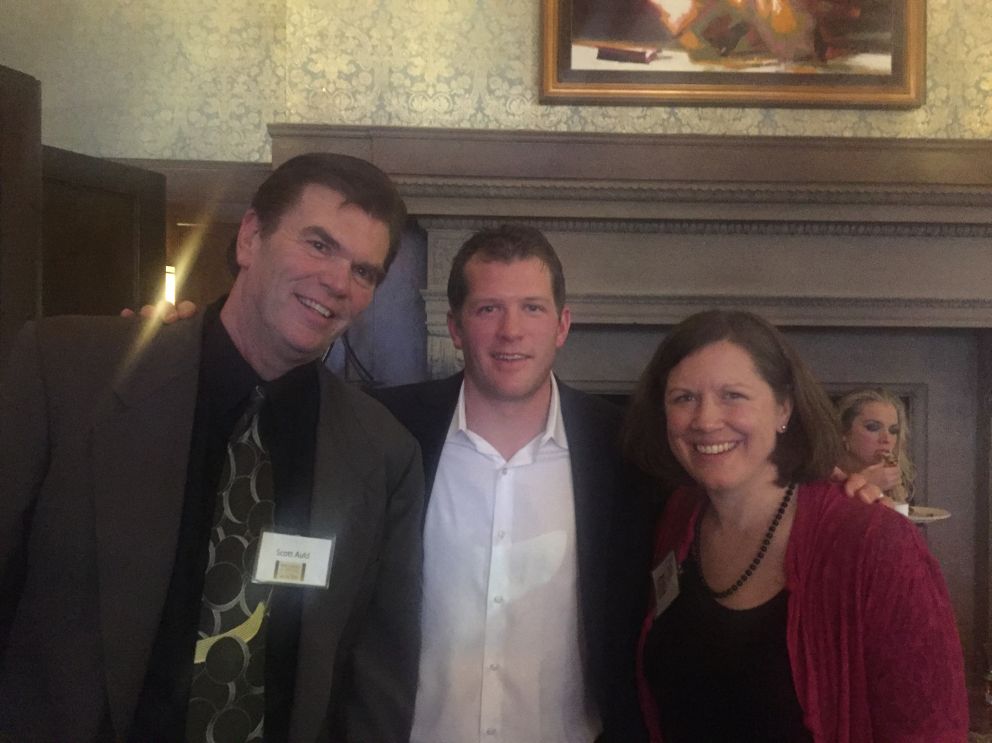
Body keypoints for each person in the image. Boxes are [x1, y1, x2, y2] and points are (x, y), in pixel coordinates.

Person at [0, 153, 425, 743]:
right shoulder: (69, 374)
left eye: (364, 272)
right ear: (251, 237)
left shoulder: (383, 455)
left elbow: (377, 681)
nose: (338, 282)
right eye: (319, 244)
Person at [621, 309, 967, 742]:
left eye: (733, 395)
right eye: (683, 398)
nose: (706, 420)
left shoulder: (876, 545)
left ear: (784, 407)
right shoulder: (676, 518)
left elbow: (931, 731)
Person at [371, 224, 649, 742]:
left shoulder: (625, 450)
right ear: (455, 327)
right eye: (488, 308)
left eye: (533, 308)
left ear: (562, 325)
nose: (511, 331)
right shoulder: (386, 431)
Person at [837, 386, 916, 505]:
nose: (887, 439)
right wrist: (867, 483)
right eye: (873, 427)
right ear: (844, 432)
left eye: (893, 430)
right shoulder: (824, 477)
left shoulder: (898, 484)